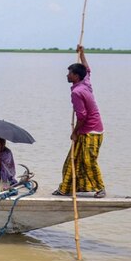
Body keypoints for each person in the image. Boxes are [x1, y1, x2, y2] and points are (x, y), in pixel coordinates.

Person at [54, 45, 106, 197]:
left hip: (91, 131)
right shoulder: (85, 83)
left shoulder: (77, 92)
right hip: (89, 129)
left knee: (88, 162)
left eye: (69, 73)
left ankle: (100, 188)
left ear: (76, 76)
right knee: (72, 161)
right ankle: (66, 188)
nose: (67, 75)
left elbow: (82, 116)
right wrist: (82, 53)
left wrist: (74, 132)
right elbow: (87, 69)